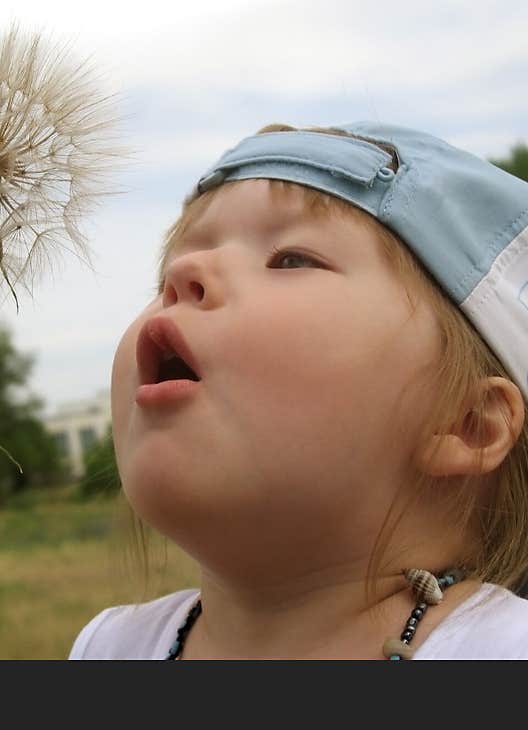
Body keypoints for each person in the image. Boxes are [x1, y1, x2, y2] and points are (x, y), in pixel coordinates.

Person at [68, 122, 528, 659]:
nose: (183, 273)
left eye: (290, 259)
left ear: (466, 423)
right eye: (165, 276)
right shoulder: (109, 648)